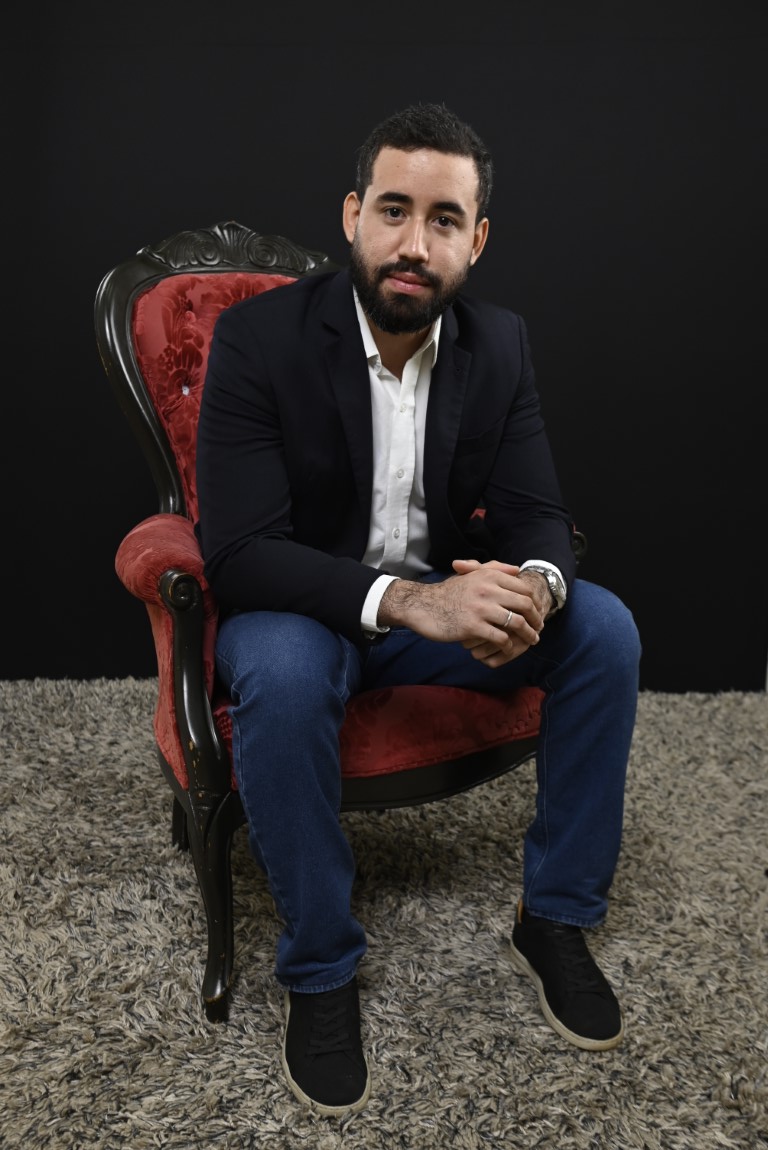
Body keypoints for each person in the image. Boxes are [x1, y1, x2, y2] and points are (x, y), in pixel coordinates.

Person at [196, 101, 641, 1115]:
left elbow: (537, 514)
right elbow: (240, 554)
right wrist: (415, 601)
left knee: (602, 629)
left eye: (444, 220)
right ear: (353, 216)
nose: (412, 242)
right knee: (285, 672)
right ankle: (320, 965)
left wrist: (533, 589)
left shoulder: (500, 344)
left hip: (433, 620)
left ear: (475, 241)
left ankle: (556, 916)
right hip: (301, 609)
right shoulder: (259, 339)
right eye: (393, 210)